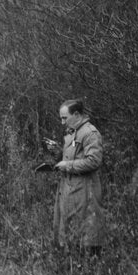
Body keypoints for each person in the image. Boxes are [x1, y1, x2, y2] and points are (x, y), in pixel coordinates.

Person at [46, 99, 105, 252]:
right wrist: (58, 151)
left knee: (87, 232)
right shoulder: (73, 132)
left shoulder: (90, 133)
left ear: (77, 114)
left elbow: (94, 161)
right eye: (61, 118)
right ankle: (72, 265)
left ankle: (87, 266)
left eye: (65, 118)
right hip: (71, 189)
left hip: (86, 191)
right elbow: (74, 156)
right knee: (71, 230)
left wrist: (67, 165)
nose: (62, 122)